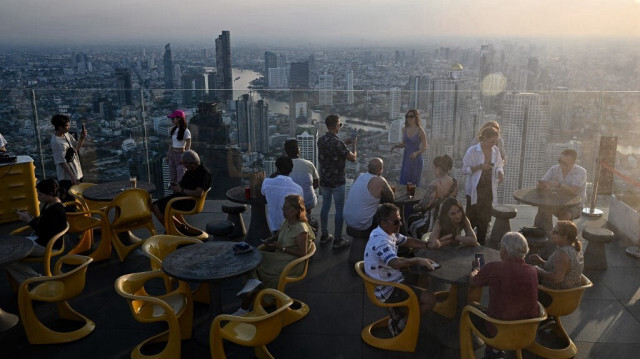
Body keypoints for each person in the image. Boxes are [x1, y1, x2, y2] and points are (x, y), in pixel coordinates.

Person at [364, 203, 437, 337]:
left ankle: (404, 308)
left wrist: (426, 244)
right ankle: (400, 324)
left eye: (400, 220)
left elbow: (407, 241)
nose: (401, 224)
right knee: (431, 300)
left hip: (388, 278)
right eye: (396, 221)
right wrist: (418, 259)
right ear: (383, 222)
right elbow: (396, 263)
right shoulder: (381, 242)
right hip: (387, 289)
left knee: (423, 277)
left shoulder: (385, 232)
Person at [234, 194, 315, 314]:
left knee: (256, 262)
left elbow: (302, 253)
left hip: (291, 263)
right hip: (280, 257)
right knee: (254, 260)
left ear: (297, 210)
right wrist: (270, 240)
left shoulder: (301, 229)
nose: (284, 211)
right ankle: (252, 290)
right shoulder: (286, 222)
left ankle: (245, 305)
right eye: (283, 208)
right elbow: (277, 235)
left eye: (287, 208)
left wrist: (281, 248)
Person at [469, 232, 539, 359]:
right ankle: (499, 351)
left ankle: (491, 352)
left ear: (504, 250)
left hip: (499, 330)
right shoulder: (532, 270)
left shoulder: (495, 267)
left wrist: (476, 270)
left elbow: (474, 281)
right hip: (527, 330)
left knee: (469, 308)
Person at [5, 179, 67, 283]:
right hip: (43, 240)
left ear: (50, 194)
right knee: (8, 254)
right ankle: (31, 280)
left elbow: (44, 234)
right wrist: (31, 217)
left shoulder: (55, 210)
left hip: (48, 245)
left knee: (7, 257)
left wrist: (29, 220)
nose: (38, 197)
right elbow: (44, 225)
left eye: (40, 194)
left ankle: (36, 280)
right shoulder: (49, 204)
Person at [317, 114, 357, 248]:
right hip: (337, 181)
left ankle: (324, 235)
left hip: (325, 180)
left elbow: (331, 149)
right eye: (340, 124)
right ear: (336, 126)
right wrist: (354, 146)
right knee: (339, 209)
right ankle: (338, 240)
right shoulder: (338, 143)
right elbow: (353, 158)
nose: (340, 126)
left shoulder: (321, 140)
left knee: (325, 207)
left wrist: (344, 143)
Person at [463, 126, 504, 245]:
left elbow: (499, 165)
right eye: (491, 141)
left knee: (485, 220)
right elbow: (465, 169)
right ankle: (468, 243)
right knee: (471, 219)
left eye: (494, 142)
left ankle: (481, 244)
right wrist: (480, 167)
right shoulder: (472, 151)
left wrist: (500, 172)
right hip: (474, 190)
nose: (493, 144)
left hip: (488, 190)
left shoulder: (495, 151)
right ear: (485, 138)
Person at [151, 150, 211, 230]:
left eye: (185, 164)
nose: (184, 166)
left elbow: (198, 193)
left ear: (192, 164)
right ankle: (179, 226)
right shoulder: (191, 171)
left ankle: (172, 229)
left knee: (156, 207)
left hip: (190, 202)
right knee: (155, 205)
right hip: (183, 198)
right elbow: (183, 185)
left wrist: (181, 190)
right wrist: (177, 186)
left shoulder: (202, 173)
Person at [408, 155, 457, 238]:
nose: (433, 170)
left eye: (434, 168)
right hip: (449, 220)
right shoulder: (455, 182)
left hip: (434, 221)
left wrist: (416, 206)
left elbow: (426, 204)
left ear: (439, 168)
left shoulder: (435, 184)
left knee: (411, 219)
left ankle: (418, 246)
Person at [529, 221, 584, 290]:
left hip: (556, 294)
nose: (550, 233)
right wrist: (541, 261)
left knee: (523, 279)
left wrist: (538, 270)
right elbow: (561, 267)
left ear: (565, 237)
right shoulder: (575, 248)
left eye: (555, 232)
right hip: (572, 291)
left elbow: (557, 279)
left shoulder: (562, 253)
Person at [344, 158, 394, 233]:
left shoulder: (360, 176)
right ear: (381, 169)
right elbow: (391, 199)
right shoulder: (380, 180)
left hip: (348, 220)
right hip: (363, 224)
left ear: (368, 167)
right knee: (386, 211)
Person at [536, 149, 587, 221]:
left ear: (574, 163)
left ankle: (561, 230)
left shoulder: (581, 172)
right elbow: (542, 182)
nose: (561, 165)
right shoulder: (554, 169)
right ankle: (544, 230)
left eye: (565, 163)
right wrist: (542, 185)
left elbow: (573, 190)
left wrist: (559, 185)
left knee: (565, 215)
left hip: (574, 205)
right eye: (560, 161)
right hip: (557, 202)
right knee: (543, 209)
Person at [261, 156, 304, 233]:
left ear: (277, 168)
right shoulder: (297, 188)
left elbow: (263, 193)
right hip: (291, 228)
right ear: (291, 169)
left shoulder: (266, 183)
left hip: (273, 227)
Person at [50, 114, 87, 201]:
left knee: (79, 198)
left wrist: (82, 138)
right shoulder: (56, 142)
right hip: (67, 178)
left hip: (76, 173)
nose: (68, 127)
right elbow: (62, 162)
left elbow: (76, 147)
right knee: (70, 200)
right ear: (59, 127)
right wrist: (72, 177)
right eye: (66, 125)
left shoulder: (66, 135)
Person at [391, 109, 427, 186]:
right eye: (407, 116)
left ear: (416, 118)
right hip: (407, 158)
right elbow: (405, 144)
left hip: (416, 160)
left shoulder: (420, 131)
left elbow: (425, 147)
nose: (409, 118)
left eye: (411, 116)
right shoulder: (404, 129)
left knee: (414, 183)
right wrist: (395, 146)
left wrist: (416, 153)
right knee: (404, 181)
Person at [284, 139, 319, 218]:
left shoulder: (284, 166)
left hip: (291, 203)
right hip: (308, 202)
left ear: (286, 152)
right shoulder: (308, 163)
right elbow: (317, 183)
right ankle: (308, 217)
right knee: (308, 197)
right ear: (298, 150)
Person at [166, 110, 192, 183]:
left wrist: (185, 156)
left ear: (179, 118)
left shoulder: (186, 131)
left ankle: (181, 192)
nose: (172, 120)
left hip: (181, 154)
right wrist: (168, 155)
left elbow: (188, 144)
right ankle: (175, 192)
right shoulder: (173, 129)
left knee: (181, 176)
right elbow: (171, 144)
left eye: (173, 118)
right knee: (172, 176)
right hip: (172, 154)